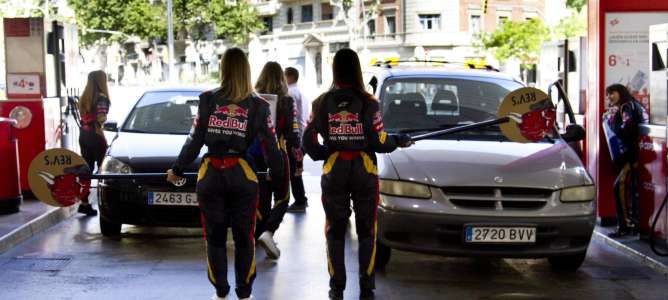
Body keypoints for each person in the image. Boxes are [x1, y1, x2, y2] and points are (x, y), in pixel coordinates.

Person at [167, 48, 284, 300]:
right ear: (246, 70)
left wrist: (177, 169)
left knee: (215, 237)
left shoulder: (208, 99)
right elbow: (272, 148)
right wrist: (281, 185)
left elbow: (195, 140)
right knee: (245, 238)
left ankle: (220, 293)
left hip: (211, 175)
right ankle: (244, 294)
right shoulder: (259, 105)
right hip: (243, 175)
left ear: (223, 69)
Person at [303, 48, 412, 300]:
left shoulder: (321, 102)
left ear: (335, 70)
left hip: (334, 168)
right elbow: (379, 140)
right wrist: (400, 140)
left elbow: (307, 140)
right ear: (357, 69)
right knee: (366, 230)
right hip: (364, 169)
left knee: (335, 230)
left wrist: (324, 153)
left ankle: (336, 288)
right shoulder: (369, 102)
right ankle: (367, 287)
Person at [252, 61, 299, 259]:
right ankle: (268, 232)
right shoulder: (286, 101)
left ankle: (257, 235)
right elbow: (293, 133)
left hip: (254, 156)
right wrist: (298, 152)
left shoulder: (252, 99)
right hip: (278, 154)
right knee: (282, 197)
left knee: (261, 199)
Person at [604, 84, 648, 238]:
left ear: (620, 93)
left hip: (633, 156)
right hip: (641, 154)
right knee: (633, 191)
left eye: (612, 93)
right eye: (607, 95)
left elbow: (625, 130)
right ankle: (633, 223)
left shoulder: (626, 107)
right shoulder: (633, 104)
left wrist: (611, 120)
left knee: (619, 187)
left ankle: (625, 225)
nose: (609, 97)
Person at [284, 67, 309, 212]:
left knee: (293, 170)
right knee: (296, 169)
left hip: (294, 137)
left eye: (284, 76)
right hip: (300, 135)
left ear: (290, 77)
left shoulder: (290, 93)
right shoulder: (299, 92)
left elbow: (292, 117)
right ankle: (301, 199)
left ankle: (300, 200)